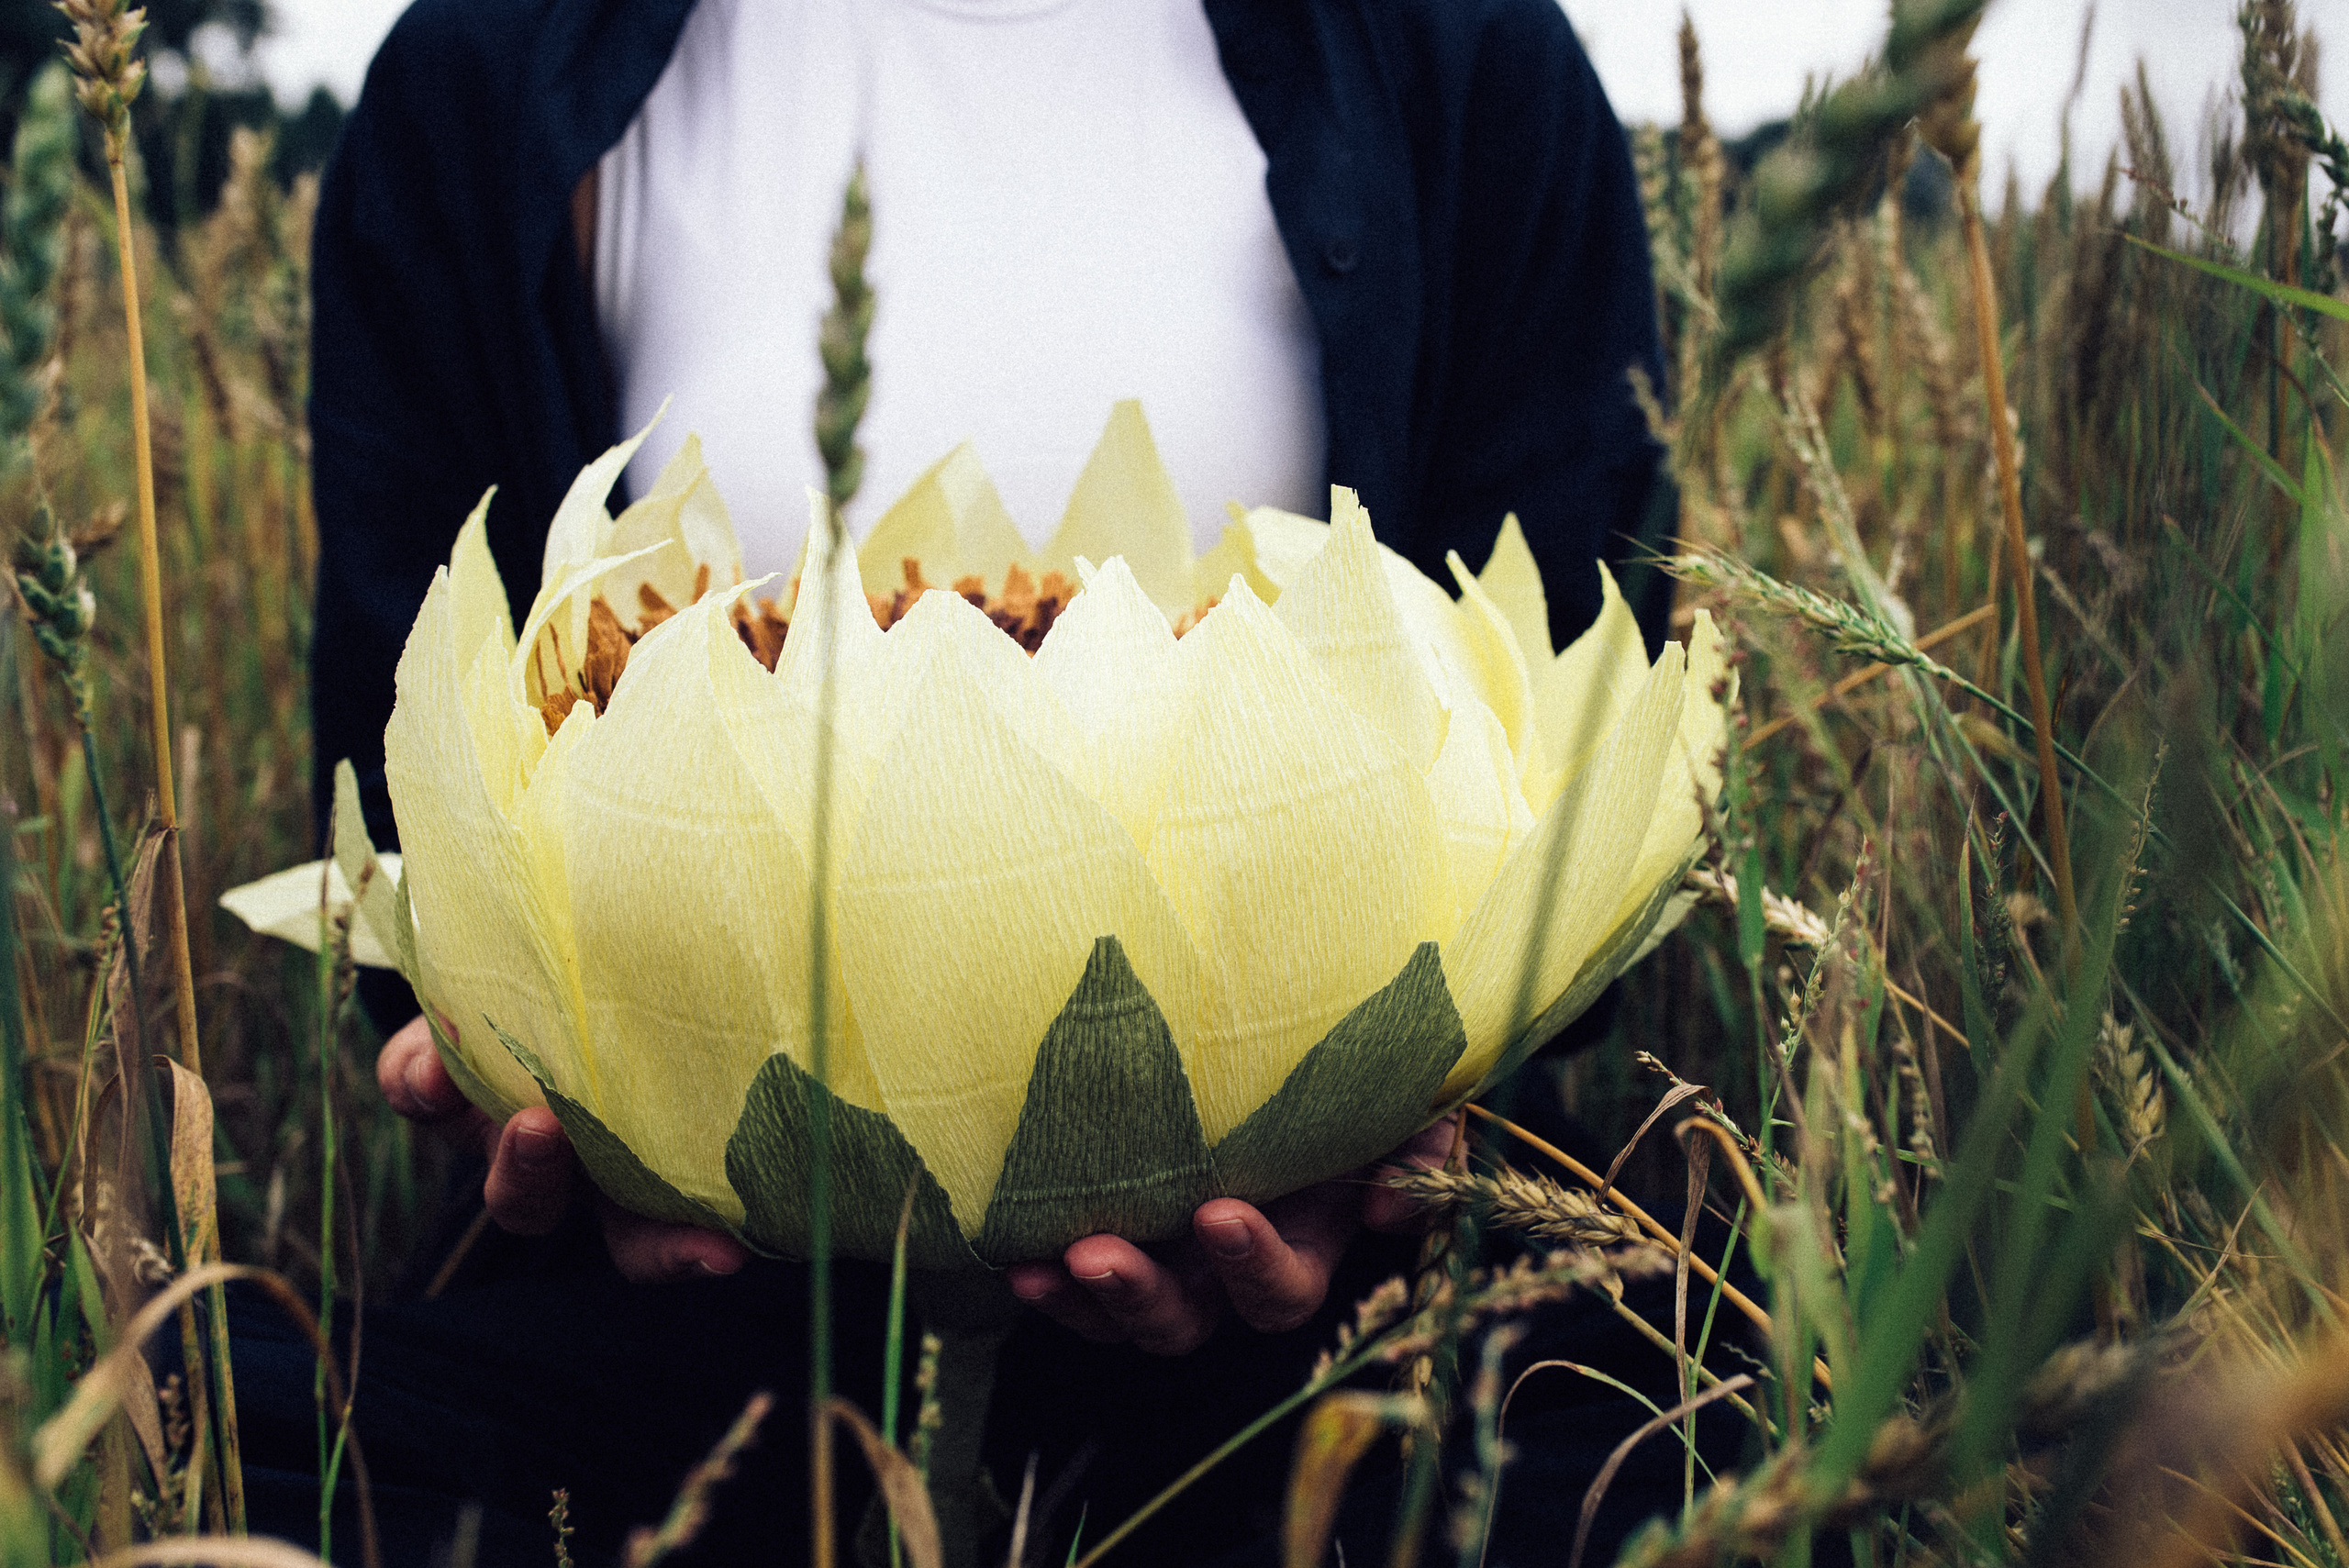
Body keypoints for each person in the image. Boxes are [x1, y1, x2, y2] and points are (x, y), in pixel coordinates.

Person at [273, 0, 1684, 1561]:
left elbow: (1552, 719)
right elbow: (416, 774)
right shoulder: (486, 75)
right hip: (678, 1324)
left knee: (1721, 1450)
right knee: (213, 1422)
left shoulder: (1466, 53)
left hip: (1319, 1321)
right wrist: (514, 1058)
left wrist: (1393, 1147)